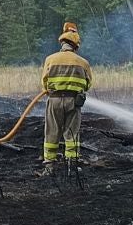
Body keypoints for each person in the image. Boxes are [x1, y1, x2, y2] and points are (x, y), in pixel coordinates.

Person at [39, 22, 93, 174]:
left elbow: (44, 82)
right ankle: (72, 167)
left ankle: (49, 167)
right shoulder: (83, 63)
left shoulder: (50, 59)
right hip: (74, 102)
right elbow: (88, 84)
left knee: (51, 133)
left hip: (54, 101)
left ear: (62, 42)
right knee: (72, 134)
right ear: (75, 45)